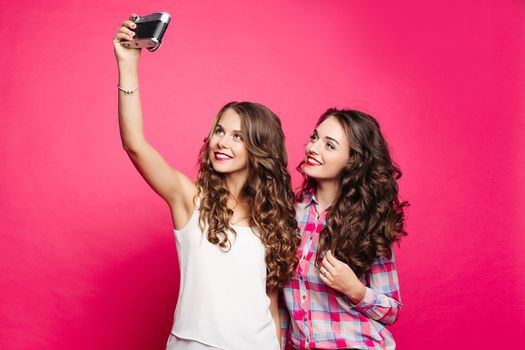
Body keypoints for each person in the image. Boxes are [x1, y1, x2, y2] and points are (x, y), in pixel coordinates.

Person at [113, 15, 300, 350]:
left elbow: (270, 305)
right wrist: (128, 65)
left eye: (238, 136)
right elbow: (135, 146)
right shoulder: (189, 198)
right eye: (219, 131)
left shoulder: (273, 219)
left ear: (259, 148)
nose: (222, 142)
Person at [282, 108, 408, 349]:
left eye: (329, 145)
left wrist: (355, 289)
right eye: (314, 138)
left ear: (353, 160)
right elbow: (281, 303)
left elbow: (392, 311)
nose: (313, 148)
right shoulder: (290, 213)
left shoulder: (368, 220)